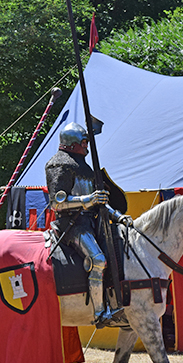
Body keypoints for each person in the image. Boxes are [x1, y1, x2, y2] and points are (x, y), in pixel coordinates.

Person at [45, 121, 130, 325]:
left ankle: (114, 304)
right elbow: (56, 203)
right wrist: (87, 200)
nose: (87, 146)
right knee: (98, 260)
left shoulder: (85, 168)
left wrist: (118, 217)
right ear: (74, 143)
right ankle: (99, 313)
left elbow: (99, 203)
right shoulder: (60, 164)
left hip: (92, 223)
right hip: (71, 225)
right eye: (84, 142)